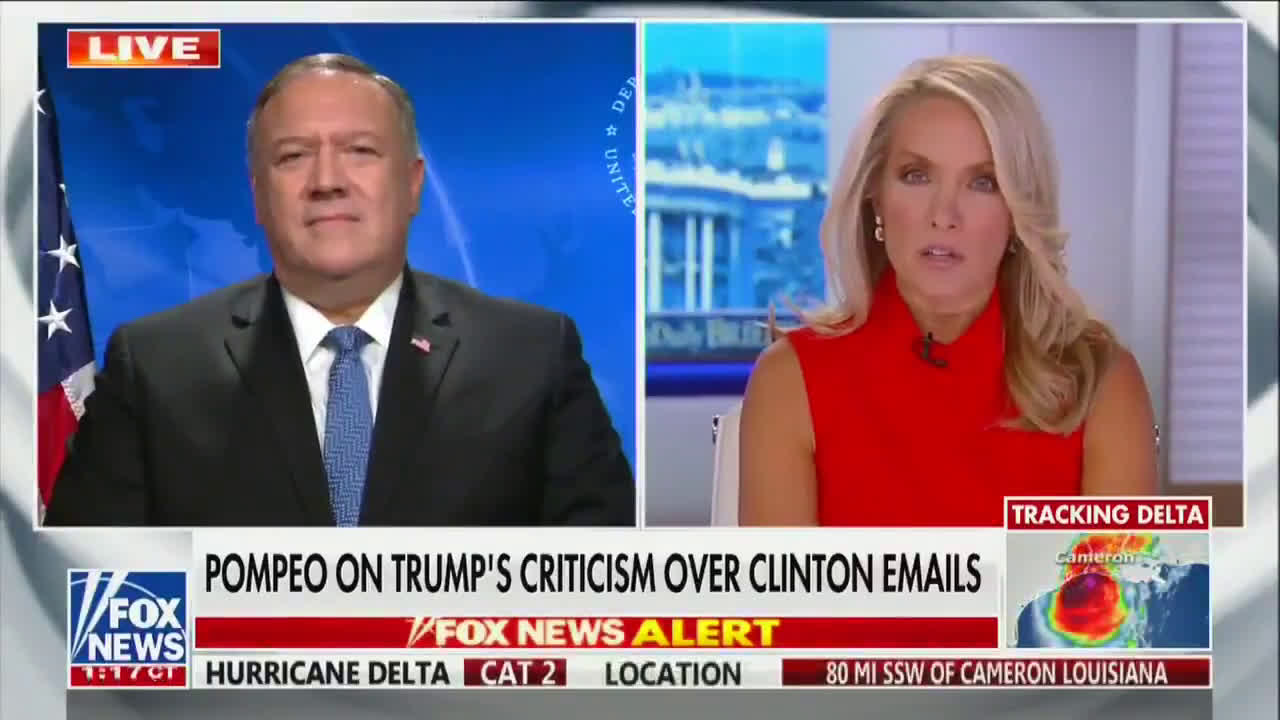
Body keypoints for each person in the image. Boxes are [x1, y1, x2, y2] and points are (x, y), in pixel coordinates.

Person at [44, 53, 635, 527]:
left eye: (360, 152)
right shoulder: (153, 365)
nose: (327, 181)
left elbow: (608, 590)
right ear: (257, 194)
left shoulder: (532, 354)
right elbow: (83, 591)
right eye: (293, 156)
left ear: (413, 184)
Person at [738, 56, 1158, 527]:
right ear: (875, 195)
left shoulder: (1103, 385)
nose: (944, 215)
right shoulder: (790, 382)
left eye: (983, 182)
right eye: (917, 175)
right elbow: (784, 580)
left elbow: (1122, 577)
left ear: (1018, 210)